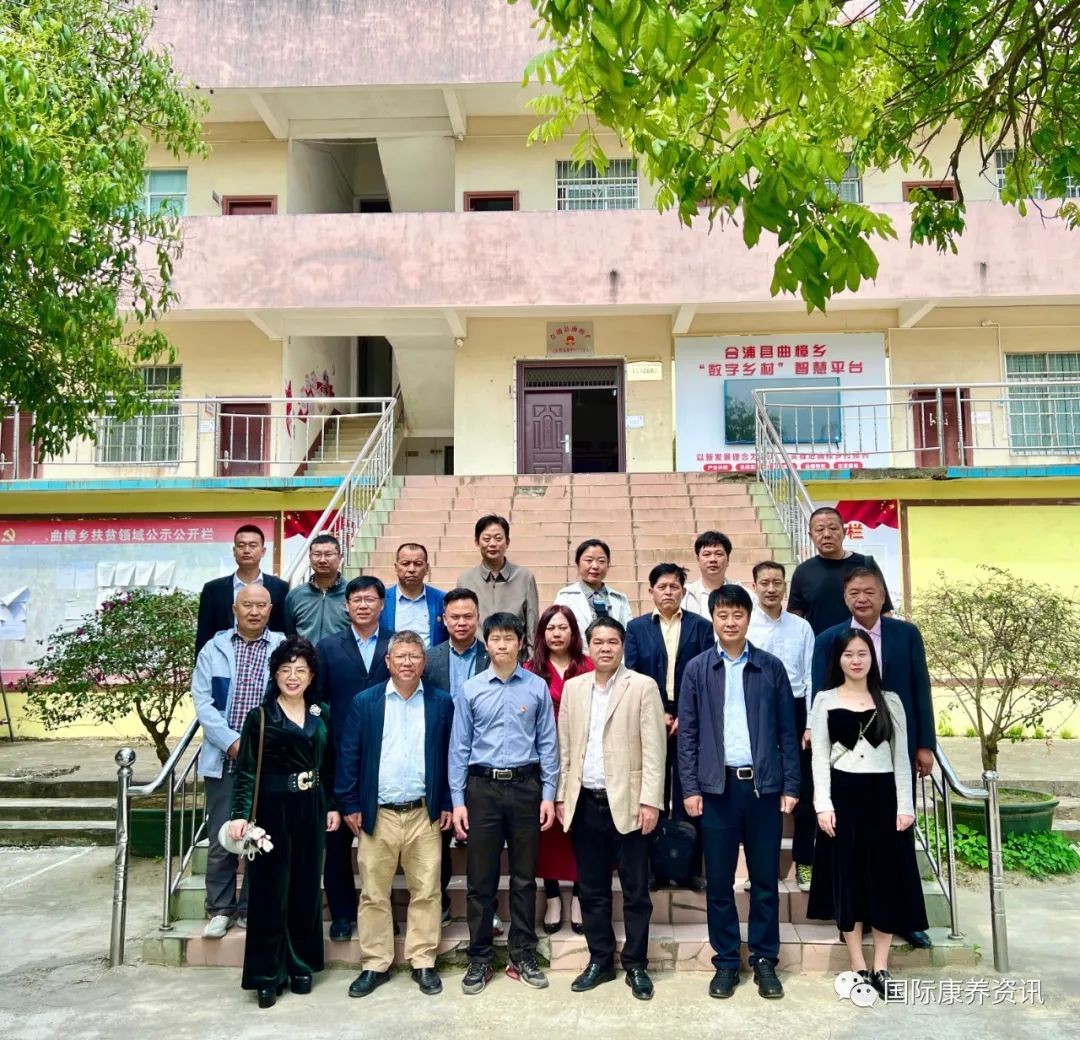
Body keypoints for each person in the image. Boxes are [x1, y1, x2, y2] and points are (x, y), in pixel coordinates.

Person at [678, 584, 800, 1001]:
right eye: (723, 615)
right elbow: (688, 735)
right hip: (717, 790)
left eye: (738, 615)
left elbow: (787, 731)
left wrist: (790, 784)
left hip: (763, 789)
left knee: (765, 880)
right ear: (713, 619)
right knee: (719, 883)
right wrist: (690, 787)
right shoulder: (697, 669)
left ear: (748, 618)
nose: (730, 622)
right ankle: (727, 961)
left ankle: (765, 960)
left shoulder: (770, 667)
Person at [812, 566, 936, 948]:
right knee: (850, 849)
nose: (862, 598)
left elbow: (920, 688)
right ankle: (853, 917)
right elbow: (820, 687)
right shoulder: (830, 639)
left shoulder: (906, 634)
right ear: (845, 597)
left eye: (870, 591)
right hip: (847, 753)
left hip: (893, 747)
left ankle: (902, 917)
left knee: (895, 844)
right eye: (854, 592)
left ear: (883, 595)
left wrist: (925, 744)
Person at [808, 629, 928, 996]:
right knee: (849, 879)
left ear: (872, 658)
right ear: (838, 660)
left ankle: (881, 965)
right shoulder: (825, 700)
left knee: (884, 880)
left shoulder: (890, 701)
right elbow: (819, 758)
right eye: (848, 654)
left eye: (862, 653)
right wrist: (823, 805)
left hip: (884, 797)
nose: (856, 660)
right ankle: (858, 964)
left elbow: (902, 759)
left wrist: (905, 806)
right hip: (843, 797)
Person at [336, 631, 455, 998]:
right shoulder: (366, 702)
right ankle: (375, 963)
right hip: (379, 814)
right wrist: (350, 804)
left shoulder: (441, 702)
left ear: (424, 662)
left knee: (427, 890)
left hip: (424, 813)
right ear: (387, 662)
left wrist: (447, 801)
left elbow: (450, 756)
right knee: (374, 892)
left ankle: (423, 960)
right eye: (400, 656)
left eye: (414, 656)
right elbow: (350, 754)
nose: (407, 662)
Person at [224, 637, 340, 1008]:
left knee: (306, 888)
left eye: (300, 670)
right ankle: (267, 974)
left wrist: (332, 805)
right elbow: (246, 772)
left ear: (311, 676)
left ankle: (301, 964)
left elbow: (329, 765)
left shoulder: (321, 713)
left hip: (311, 806)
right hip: (271, 810)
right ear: (275, 674)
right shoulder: (260, 716)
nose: (293, 677)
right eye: (286, 670)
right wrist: (240, 815)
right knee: (269, 891)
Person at [556, 617, 666, 1002]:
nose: (605, 648)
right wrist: (562, 797)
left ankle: (635, 964)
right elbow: (565, 749)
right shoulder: (574, 688)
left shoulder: (642, 686)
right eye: (598, 642)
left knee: (636, 890)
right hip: (585, 802)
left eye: (613, 642)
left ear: (622, 646)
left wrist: (650, 800)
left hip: (630, 803)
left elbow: (655, 750)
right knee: (592, 889)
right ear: (588, 646)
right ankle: (600, 959)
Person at [449, 612, 558, 996]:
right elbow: (459, 748)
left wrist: (548, 794)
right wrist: (458, 800)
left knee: (525, 878)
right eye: (495, 638)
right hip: (483, 790)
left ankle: (522, 953)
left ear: (520, 643)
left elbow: (548, 744)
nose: (501, 644)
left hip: (527, 788)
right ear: (488, 643)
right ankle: (479, 956)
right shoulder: (471, 689)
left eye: (509, 638)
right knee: (481, 880)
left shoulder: (536, 687)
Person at [191, 584, 285, 939]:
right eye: (247, 605)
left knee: (261, 837)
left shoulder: (282, 648)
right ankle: (220, 908)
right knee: (222, 837)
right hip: (224, 759)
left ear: (270, 609)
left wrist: (264, 744)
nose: (254, 611)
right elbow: (203, 704)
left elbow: (290, 698)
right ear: (235, 608)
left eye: (261, 605)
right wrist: (233, 742)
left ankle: (250, 907)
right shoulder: (213, 650)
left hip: (268, 761)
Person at [624, 563, 713, 885]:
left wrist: (687, 715)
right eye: (662, 587)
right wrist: (656, 712)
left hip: (692, 718)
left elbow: (707, 675)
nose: (668, 592)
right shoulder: (636, 628)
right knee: (653, 792)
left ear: (683, 592)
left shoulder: (701, 627)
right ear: (650, 592)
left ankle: (690, 870)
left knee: (690, 791)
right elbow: (631, 673)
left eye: (674, 587)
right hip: (650, 717)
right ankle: (655, 869)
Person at [315, 575, 394, 941]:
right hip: (338, 756)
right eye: (356, 600)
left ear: (382, 604)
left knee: (383, 839)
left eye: (370, 599)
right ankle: (343, 914)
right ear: (346, 606)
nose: (363, 605)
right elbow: (318, 701)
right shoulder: (328, 647)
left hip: (387, 753)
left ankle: (382, 913)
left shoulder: (397, 644)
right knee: (336, 842)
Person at [421, 587, 491, 925]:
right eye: (455, 617)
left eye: (468, 616)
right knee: (439, 831)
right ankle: (441, 899)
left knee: (483, 835)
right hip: (438, 752)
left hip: (482, 756)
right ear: (443, 620)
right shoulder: (429, 659)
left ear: (478, 618)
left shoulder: (493, 656)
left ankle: (484, 908)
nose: (461, 622)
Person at [524, 604, 594, 935]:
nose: (556, 633)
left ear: (573, 632)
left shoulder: (589, 666)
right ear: (542, 633)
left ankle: (580, 895)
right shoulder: (530, 669)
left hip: (584, 757)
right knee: (547, 830)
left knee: (582, 828)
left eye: (563, 627)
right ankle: (552, 895)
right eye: (550, 628)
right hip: (542, 760)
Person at [747, 561, 816, 893]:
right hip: (757, 709)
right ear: (754, 587)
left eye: (777, 582)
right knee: (760, 791)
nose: (771, 589)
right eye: (765, 583)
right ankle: (761, 868)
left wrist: (811, 723)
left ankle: (805, 862)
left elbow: (812, 675)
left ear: (785, 587)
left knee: (803, 789)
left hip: (797, 708)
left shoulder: (801, 627)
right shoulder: (746, 625)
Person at [787, 507, 894, 635]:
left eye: (833, 528)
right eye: (820, 530)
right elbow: (795, 620)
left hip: (863, 645)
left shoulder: (866, 564)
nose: (827, 534)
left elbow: (885, 611)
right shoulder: (803, 572)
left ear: (844, 532)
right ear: (811, 536)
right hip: (820, 645)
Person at [195, 524, 288, 656]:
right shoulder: (213, 590)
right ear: (234, 551)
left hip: (267, 660)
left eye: (253, 545)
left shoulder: (280, 588)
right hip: (223, 660)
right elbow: (204, 635)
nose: (246, 550)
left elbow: (284, 630)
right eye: (241, 545)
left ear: (263, 551)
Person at [455, 515, 539, 654]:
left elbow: (532, 624)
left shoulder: (525, 577)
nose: (493, 544)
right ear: (477, 542)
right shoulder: (465, 580)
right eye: (486, 539)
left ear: (507, 542)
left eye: (498, 538)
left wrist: (532, 658)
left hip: (515, 657)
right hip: (477, 657)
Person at [554, 538, 634, 635]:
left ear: (608, 565)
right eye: (589, 560)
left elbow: (629, 633)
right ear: (577, 563)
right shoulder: (565, 597)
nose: (595, 566)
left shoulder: (620, 599)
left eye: (601, 561)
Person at [379, 542, 448, 649]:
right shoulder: (382, 600)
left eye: (418, 564)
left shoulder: (441, 599)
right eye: (405, 563)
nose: (411, 569)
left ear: (427, 568)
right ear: (396, 568)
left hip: (432, 659)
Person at [285, 533, 349, 643]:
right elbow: (290, 634)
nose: (322, 560)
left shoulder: (352, 593)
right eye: (317, 554)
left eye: (328, 554)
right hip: (305, 653)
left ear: (340, 557)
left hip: (342, 654)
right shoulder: (295, 595)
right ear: (310, 558)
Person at [684, 531, 734, 618]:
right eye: (707, 554)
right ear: (698, 560)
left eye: (719, 554)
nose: (713, 559)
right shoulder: (685, 595)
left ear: (728, 560)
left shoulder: (744, 594)